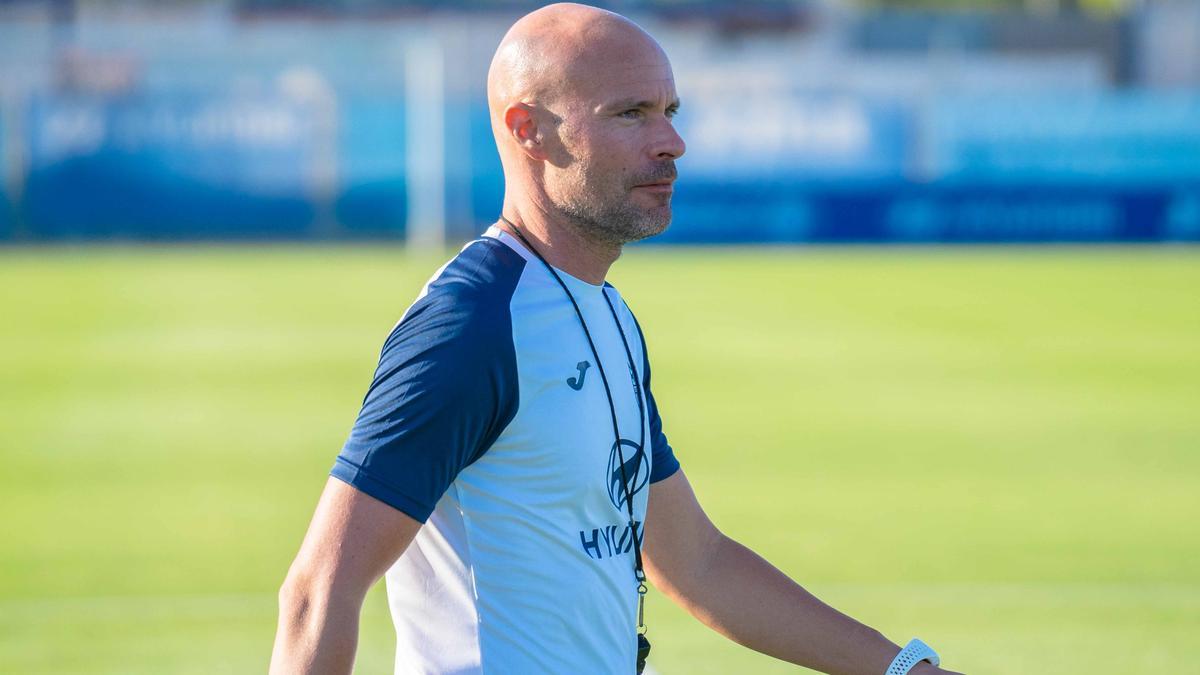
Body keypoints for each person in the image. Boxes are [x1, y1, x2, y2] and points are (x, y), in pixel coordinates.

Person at [270, 4, 964, 674]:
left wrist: (903, 668)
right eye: (631, 113)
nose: (671, 142)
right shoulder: (470, 325)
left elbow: (696, 562)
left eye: (669, 112)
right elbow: (317, 591)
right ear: (529, 130)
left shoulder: (608, 314)